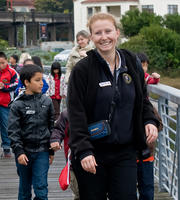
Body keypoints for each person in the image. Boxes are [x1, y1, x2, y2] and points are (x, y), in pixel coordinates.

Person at [67, 13, 160, 200]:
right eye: (98, 33)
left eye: (108, 31)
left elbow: (142, 100)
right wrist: (83, 150)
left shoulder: (131, 62)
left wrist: (150, 120)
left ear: (117, 33)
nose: (104, 37)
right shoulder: (83, 70)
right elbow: (76, 114)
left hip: (125, 151)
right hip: (92, 152)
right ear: (92, 37)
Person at [8, 64, 55, 200]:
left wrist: (51, 151)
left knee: (41, 189)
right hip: (24, 153)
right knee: (24, 189)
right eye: (37, 80)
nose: (42, 83)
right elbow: (13, 131)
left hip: (42, 151)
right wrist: (19, 152)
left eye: (42, 79)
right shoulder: (17, 105)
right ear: (26, 82)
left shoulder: (47, 101)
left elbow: (51, 127)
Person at [136, 52, 161, 200]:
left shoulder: (144, 79)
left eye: (145, 65)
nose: (143, 68)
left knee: (146, 187)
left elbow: (152, 80)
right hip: (129, 152)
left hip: (145, 151)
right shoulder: (128, 79)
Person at [50, 109, 79, 200]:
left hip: (99, 161)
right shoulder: (67, 114)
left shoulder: (99, 108)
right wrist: (55, 140)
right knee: (78, 193)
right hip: (74, 163)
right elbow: (58, 129)